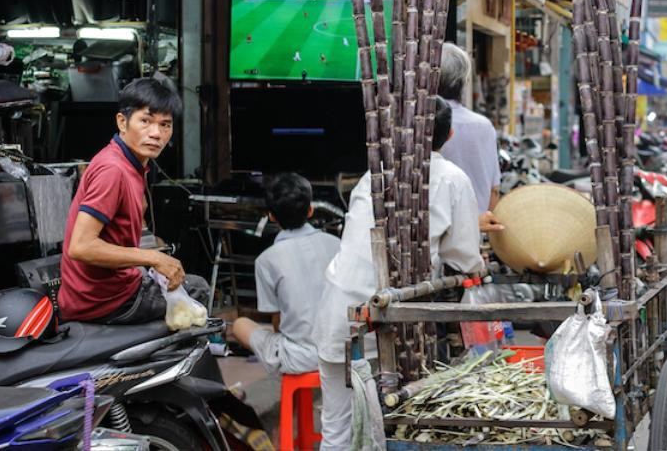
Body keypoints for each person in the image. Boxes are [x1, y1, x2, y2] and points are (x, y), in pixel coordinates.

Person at [314, 97, 485, 450]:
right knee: (385, 430)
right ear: (448, 135)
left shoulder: (375, 174)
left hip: (337, 311)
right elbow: (466, 258)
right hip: (382, 322)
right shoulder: (451, 178)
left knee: (337, 429)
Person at [59, 77, 209, 324]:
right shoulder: (113, 170)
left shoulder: (131, 164)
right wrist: (154, 258)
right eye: (146, 121)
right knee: (198, 288)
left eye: (165, 125)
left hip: (103, 291)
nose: (156, 133)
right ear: (122, 122)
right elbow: (81, 246)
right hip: (102, 301)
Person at [230, 173, 339, 375]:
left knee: (239, 324)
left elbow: (277, 321)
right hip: (340, 349)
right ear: (310, 210)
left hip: (300, 359)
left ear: (271, 216)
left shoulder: (266, 259)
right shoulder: (336, 244)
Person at [436, 43, 505, 231]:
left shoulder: (417, 126)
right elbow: (494, 191)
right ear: (464, 82)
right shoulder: (484, 126)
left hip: (429, 239)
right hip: (474, 238)